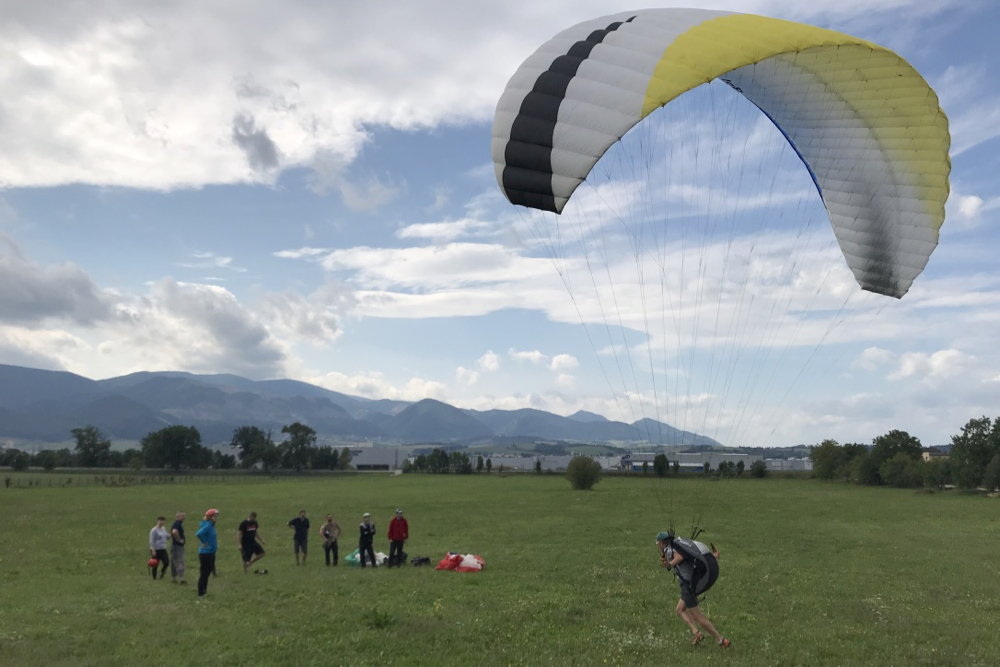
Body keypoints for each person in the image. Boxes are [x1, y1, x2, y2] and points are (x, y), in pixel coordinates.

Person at [656, 531, 731, 648]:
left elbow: (679, 557)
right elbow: (694, 555)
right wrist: (713, 556)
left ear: (661, 542)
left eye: (657, 544)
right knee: (680, 609)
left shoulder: (670, 549)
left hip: (689, 585)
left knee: (697, 616)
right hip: (694, 580)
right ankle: (697, 633)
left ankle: (721, 640)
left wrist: (669, 565)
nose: (657, 546)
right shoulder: (681, 542)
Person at [196, 509, 220, 598]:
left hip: (211, 552)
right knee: (204, 573)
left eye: (217, 516)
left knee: (208, 572)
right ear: (209, 517)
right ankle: (200, 593)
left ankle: (204, 591)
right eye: (214, 516)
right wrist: (204, 542)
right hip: (205, 553)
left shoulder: (211, 526)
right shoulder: (208, 526)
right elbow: (198, 534)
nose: (216, 518)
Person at [170, 511, 187, 584]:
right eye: (182, 516)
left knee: (174, 561)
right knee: (180, 561)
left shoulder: (177, 524)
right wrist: (179, 540)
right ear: (177, 516)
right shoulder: (177, 524)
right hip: (177, 546)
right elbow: (174, 532)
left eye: (184, 516)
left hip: (174, 546)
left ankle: (174, 578)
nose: (183, 517)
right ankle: (181, 578)